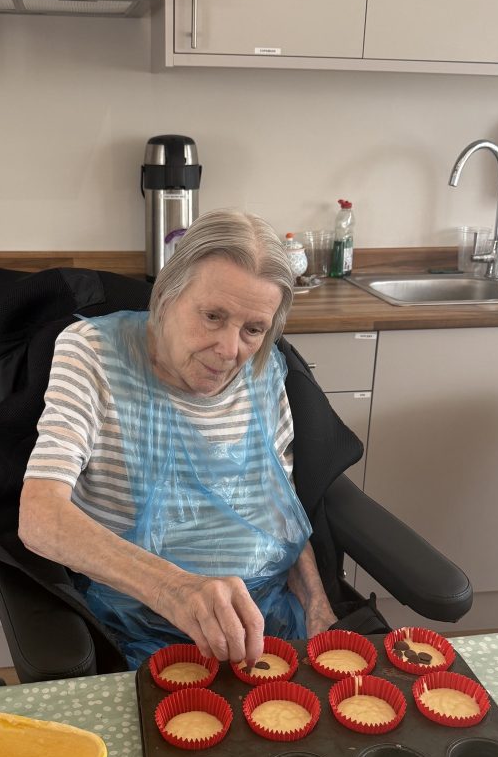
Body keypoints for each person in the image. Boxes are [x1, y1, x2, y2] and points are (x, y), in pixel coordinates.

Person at [19, 209, 337, 669]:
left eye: (253, 330)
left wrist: (316, 604)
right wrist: (176, 590)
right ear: (167, 294)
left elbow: (279, 508)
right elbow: (40, 515)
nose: (230, 351)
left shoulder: (263, 370)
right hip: (145, 631)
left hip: (269, 628)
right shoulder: (92, 353)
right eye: (212, 316)